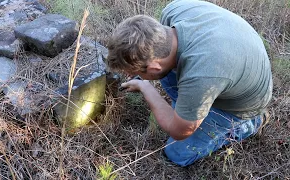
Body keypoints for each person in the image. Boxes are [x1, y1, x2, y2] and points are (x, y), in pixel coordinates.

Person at [106, 0, 273, 166]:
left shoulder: (201, 73)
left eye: (134, 72)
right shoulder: (173, 11)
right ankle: (190, 108)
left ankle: (249, 124)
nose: (131, 75)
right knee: (171, 74)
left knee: (176, 152)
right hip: (229, 61)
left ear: (154, 67)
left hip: (242, 104)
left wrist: (146, 87)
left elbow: (179, 132)